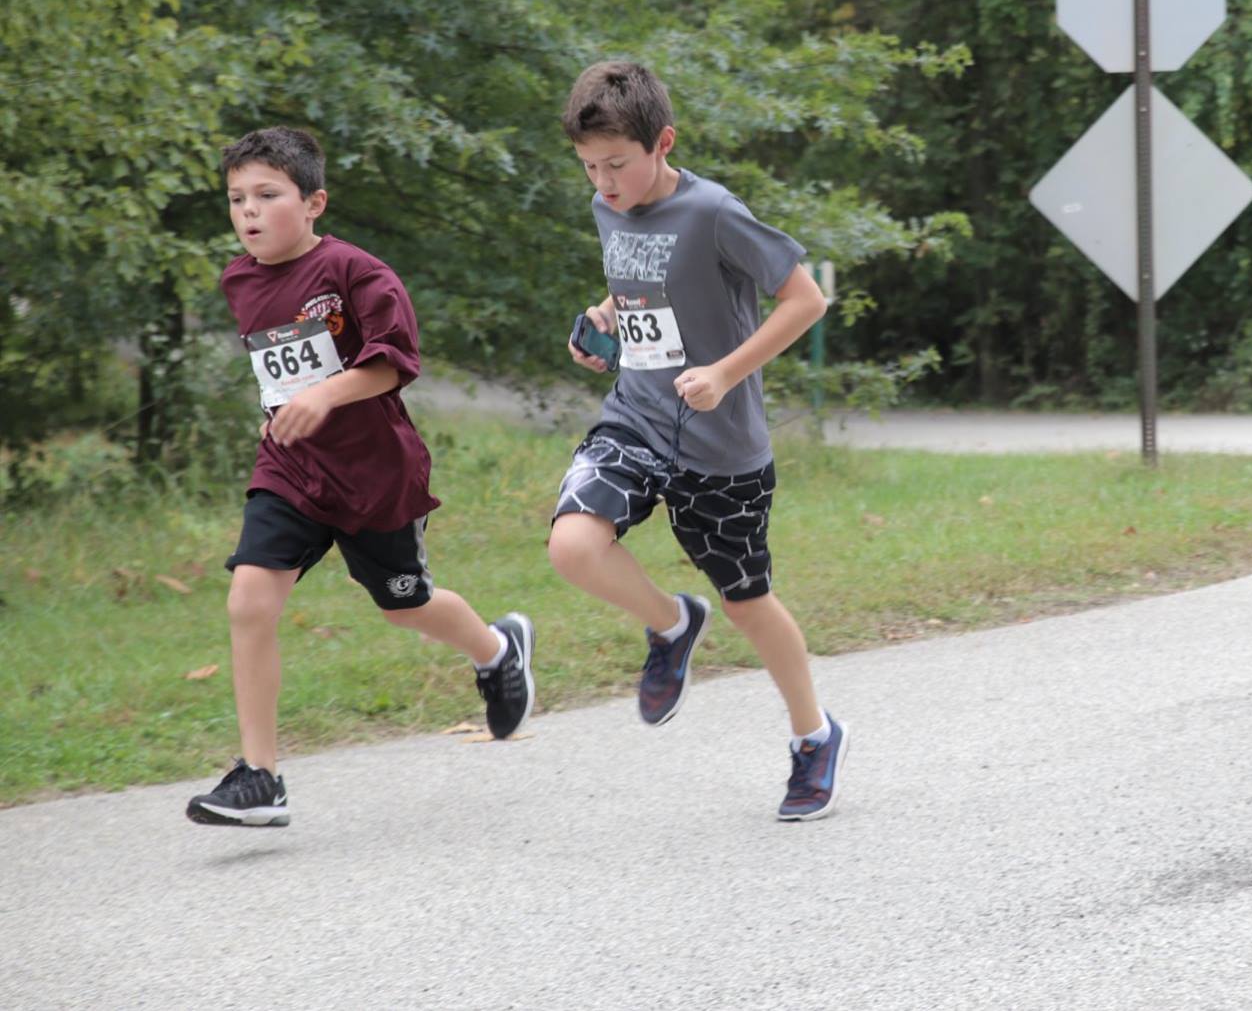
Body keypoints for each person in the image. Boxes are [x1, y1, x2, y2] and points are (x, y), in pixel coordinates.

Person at [189, 127, 533, 827]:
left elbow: (394, 361)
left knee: (403, 604)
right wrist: (280, 410)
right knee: (250, 599)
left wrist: (323, 395)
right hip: (291, 467)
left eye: (266, 195)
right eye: (236, 198)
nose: (248, 211)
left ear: (314, 202)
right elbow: (279, 363)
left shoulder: (357, 273)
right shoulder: (238, 278)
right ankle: (260, 777)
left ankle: (498, 649)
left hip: (374, 473)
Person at [547, 60, 845, 820]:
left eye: (617, 164)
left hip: (720, 447)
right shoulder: (607, 206)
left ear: (663, 142)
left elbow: (804, 298)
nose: (604, 182)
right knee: (573, 545)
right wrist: (607, 314)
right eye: (590, 167)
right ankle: (671, 623)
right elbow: (643, 281)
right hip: (638, 417)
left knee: (749, 602)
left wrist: (723, 371)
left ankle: (813, 735)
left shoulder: (713, 211)